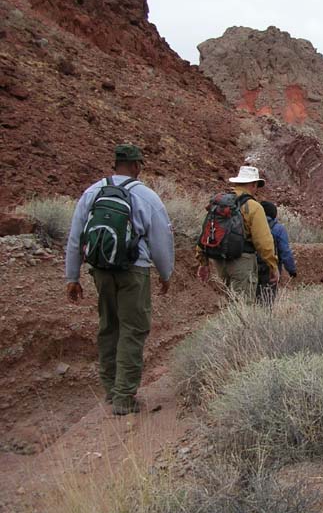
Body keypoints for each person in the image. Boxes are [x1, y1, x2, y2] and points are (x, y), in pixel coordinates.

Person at [65, 144, 174, 416]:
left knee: (108, 327)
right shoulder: (146, 197)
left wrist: (72, 276)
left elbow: (76, 237)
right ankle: (125, 397)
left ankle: (111, 390)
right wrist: (165, 272)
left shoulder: (92, 193)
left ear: (115, 164)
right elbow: (161, 241)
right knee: (133, 329)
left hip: (100, 271)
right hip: (133, 271)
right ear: (136, 166)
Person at [196, 166, 278, 300]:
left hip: (219, 262)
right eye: (256, 185)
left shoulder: (220, 203)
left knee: (227, 302)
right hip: (242, 262)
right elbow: (264, 242)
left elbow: (206, 233)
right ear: (253, 184)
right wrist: (272, 265)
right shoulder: (253, 207)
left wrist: (203, 262)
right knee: (242, 307)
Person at [257, 201, 297, 304]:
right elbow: (285, 252)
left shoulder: (253, 226)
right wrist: (292, 270)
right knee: (268, 299)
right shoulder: (278, 229)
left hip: (252, 266)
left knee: (252, 297)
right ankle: (264, 318)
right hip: (271, 269)